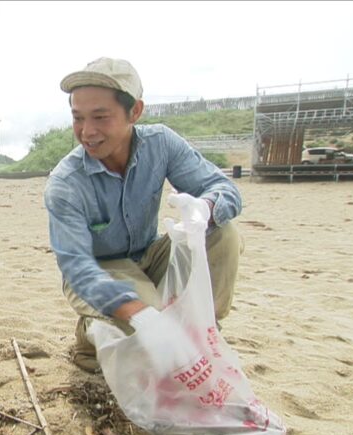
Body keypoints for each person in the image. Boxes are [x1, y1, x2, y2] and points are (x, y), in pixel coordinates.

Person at [43, 58, 242, 373]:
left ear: (135, 111)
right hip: (100, 271)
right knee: (147, 336)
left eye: (100, 117)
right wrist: (143, 315)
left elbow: (223, 188)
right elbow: (77, 267)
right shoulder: (66, 183)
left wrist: (205, 209)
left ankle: (204, 331)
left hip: (150, 254)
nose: (87, 132)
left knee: (223, 233)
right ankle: (88, 340)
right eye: (78, 118)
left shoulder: (160, 144)